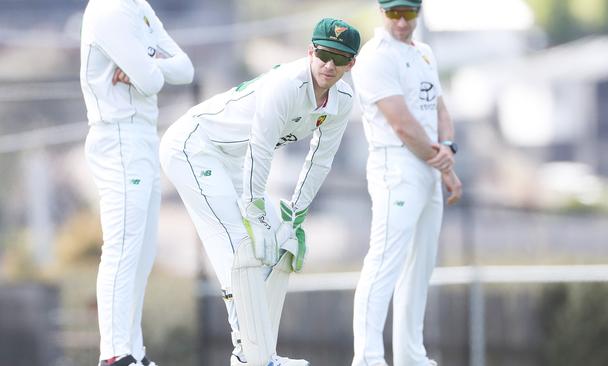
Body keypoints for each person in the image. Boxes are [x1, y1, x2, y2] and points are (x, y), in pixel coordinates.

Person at [159, 18, 360, 366]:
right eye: (324, 54)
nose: (330, 65)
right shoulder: (285, 85)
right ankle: (250, 356)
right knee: (241, 246)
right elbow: (261, 149)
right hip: (193, 147)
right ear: (311, 51)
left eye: (340, 58)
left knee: (276, 241)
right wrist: (253, 213)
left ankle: (259, 353)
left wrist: (296, 217)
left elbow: (319, 160)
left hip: (233, 162)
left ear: (350, 64)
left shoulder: (342, 100)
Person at [79, 0, 194, 365]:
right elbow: (152, 80)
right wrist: (151, 66)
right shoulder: (109, 10)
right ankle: (114, 354)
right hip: (117, 135)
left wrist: (147, 62)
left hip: (143, 135)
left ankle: (133, 351)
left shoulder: (139, 7)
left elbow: (185, 69)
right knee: (124, 248)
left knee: (142, 254)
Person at [350, 0, 462, 365]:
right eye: (393, 12)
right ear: (381, 12)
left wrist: (447, 153)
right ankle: (367, 359)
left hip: (428, 166)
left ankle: (411, 356)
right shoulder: (375, 57)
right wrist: (441, 161)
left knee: (421, 266)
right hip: (395, 167)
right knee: (384, 262)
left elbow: (439, 110)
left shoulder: (425, 52)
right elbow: (401, 123)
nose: (401, 21)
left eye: (409, 13)